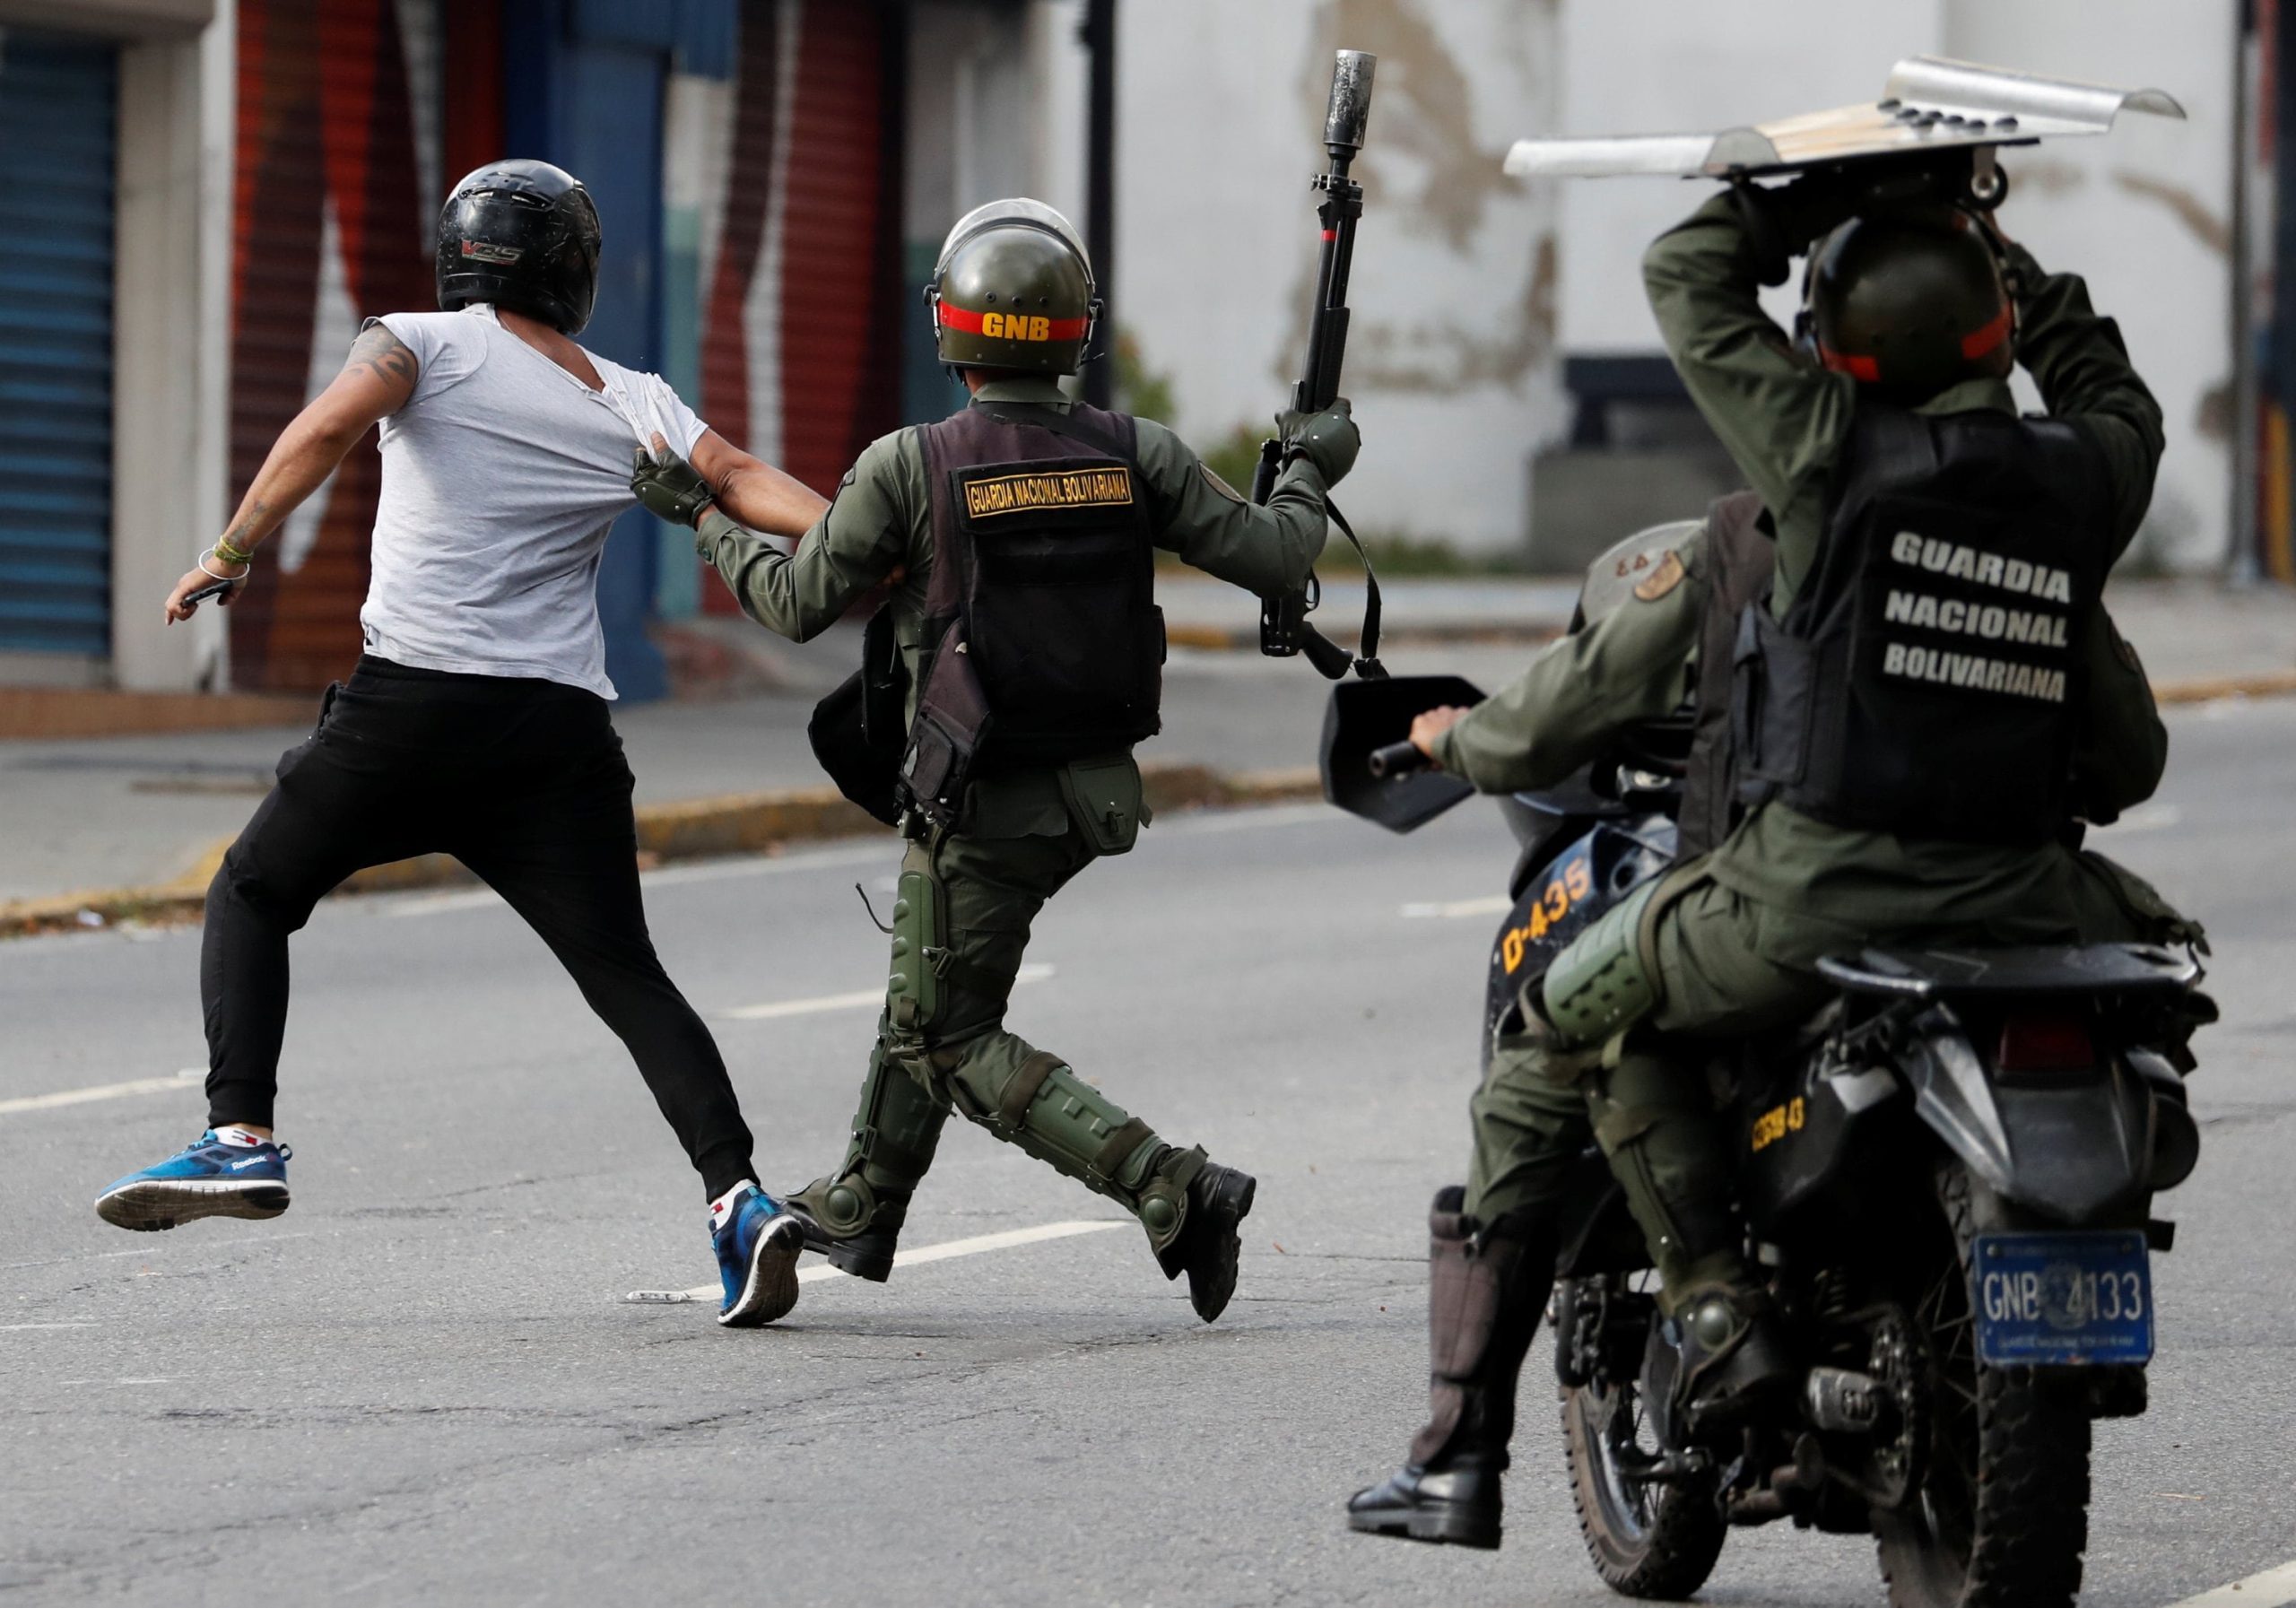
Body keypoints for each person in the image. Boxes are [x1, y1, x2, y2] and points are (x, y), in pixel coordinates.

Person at [1348, 163, 2203, 1549]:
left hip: (1814, 896)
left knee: (1568, 1007)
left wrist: (1821, 192)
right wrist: (2002, 250)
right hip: (2035, 897)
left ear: (1834, 352)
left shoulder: (1813, 473)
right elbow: (2130, 736)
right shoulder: (2079, 486)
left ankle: (1675, 1316)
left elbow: (1688, 276)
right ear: (1993, 338)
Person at [92, 160, 830, 1330]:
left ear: (462, 257)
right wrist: (861, 536)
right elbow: (737, 481)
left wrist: (230, 553)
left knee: (252, 890)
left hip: (414, 711)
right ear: (573, 271)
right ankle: (736, 1195)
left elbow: (327, 426)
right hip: (557, 738)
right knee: (626, 976)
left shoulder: (418, 343)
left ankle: (240, 1137)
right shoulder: (632, 397)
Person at [628, 198, 1360, 1322]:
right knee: (928, 990)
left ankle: (1171, 1187)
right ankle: (867, 1203)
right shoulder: (1138, 452)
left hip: (974, 793)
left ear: (949, 329)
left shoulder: (909, 466)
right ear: (1078, 333)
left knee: (946, 1030)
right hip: (1092, 792)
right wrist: (1306, 464)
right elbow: (1280, 551)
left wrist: (701, 517)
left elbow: (789, 600)